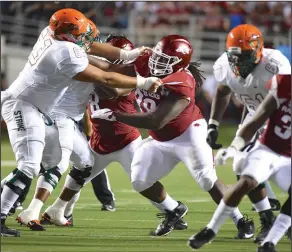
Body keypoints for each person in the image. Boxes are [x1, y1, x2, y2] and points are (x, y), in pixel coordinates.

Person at [0, 8, 161, 237]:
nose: (87, 40)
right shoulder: (65, 53)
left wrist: (129, 55)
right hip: (24, 106)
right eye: (82, 35)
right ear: (70, 35)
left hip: (37, 108)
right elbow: (106, 78)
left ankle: (44, 209)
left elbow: (95, 49)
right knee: (30, 166)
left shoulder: (51, 32)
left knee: (76, 162)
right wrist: (143, 82)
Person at [90, 34, 254, 237]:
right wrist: (83, 56)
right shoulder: (145, 59)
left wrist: (115, 115)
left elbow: (155, 120)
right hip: (160, 139)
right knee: (140, 181)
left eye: (165, 60)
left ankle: (242, 221)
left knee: (206, 179)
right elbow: (110, 69)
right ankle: (173, 210)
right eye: (157, 56)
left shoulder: (184, 81)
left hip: (188, 134)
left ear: (180, 64)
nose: (157, 62)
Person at [42, 34, 188, 230]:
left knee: (143, 182)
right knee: (77, 177)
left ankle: (174, 211)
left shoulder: (128, 75)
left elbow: (113, 91)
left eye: (112, 57)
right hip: (100, 141)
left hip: (126, 140)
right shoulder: (99, 72)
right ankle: (61, 213)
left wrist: (92, 74)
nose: (108, 61)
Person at [204, 24, 290, 242]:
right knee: (240, 164)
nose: (239, 61)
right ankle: (268, 220)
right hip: (255, 116)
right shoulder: (224, 66)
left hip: (283, 116)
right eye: (235, 55)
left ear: (259, 49)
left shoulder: (275, 64)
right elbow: (222, 92)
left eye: (245, 55)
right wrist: (213, 123)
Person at [188, 74, 291, 252]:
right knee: (246, 181)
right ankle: (210, 229)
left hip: (288, 159)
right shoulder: (283, 84)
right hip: (268, 149)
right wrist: (234, 147)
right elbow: (254, 121)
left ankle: (270, 243)